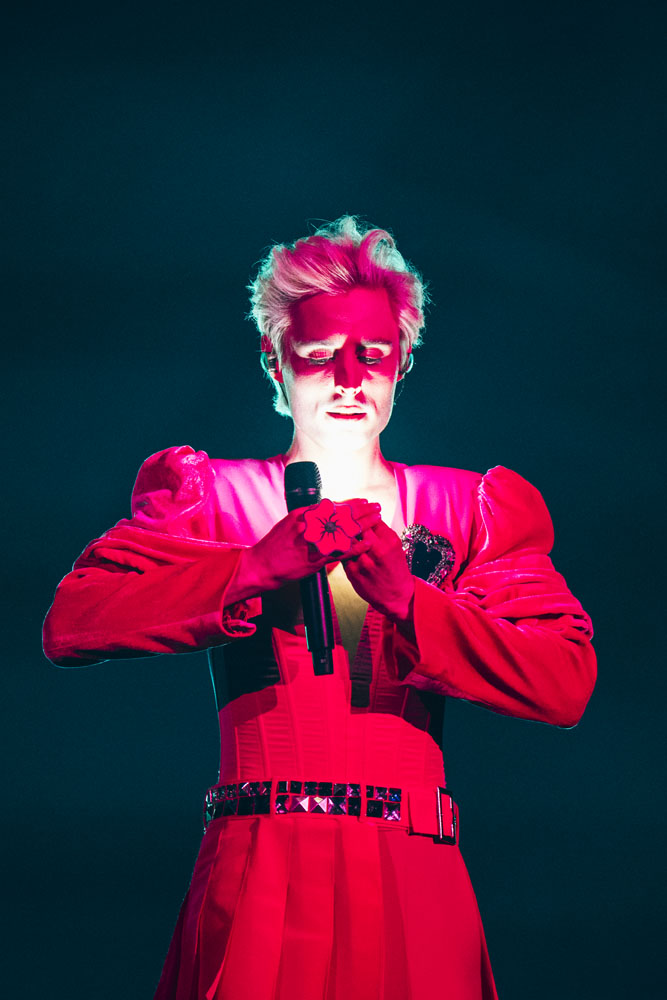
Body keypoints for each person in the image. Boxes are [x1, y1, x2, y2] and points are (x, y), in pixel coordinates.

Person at [42, 216, 596, 1000]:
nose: (347, 378)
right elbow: (74, 620)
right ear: (273, 363)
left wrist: (407, 600)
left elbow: (563, 679)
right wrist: (250, 568)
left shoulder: (467, 507)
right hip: (258, 866)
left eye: (371, 354)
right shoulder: (214, 496)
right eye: (316, 354)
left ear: (403, 361)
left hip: (415, 869)